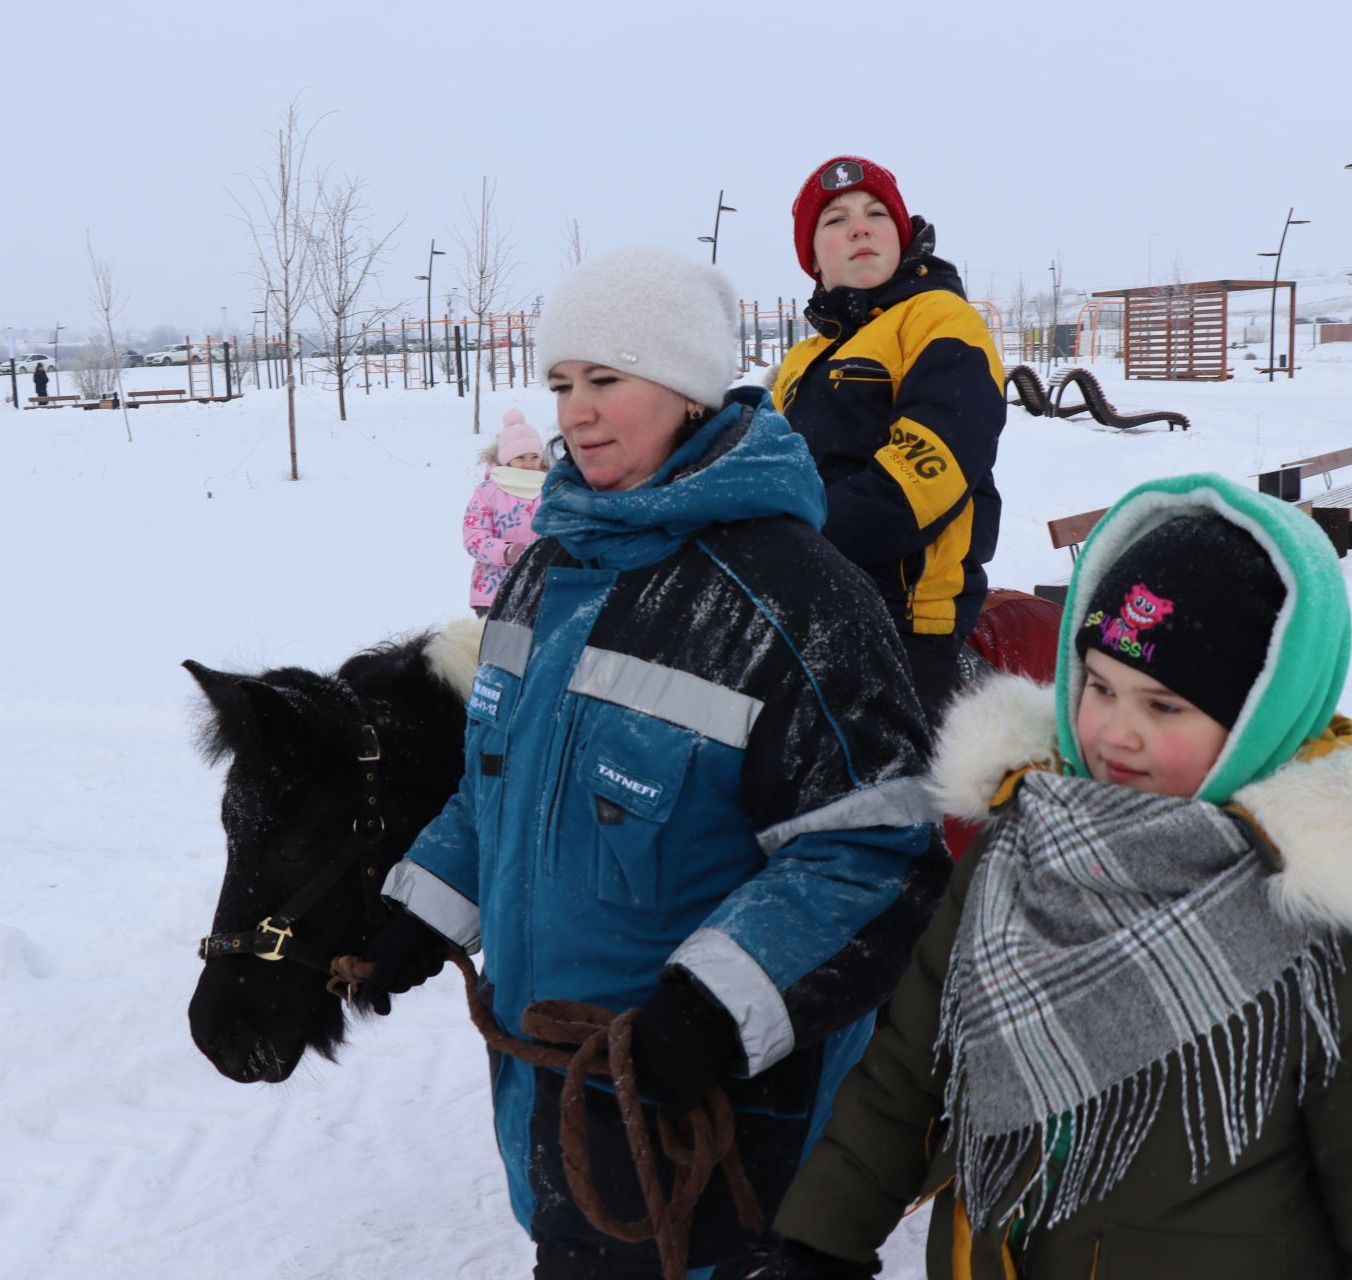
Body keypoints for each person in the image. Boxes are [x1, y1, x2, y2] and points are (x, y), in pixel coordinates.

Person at [346, 247, 952, 1277]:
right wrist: (422, 907)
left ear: (684, 387)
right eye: (562, 382)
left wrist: (714, 1004)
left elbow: (875, 850)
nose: (577, 412)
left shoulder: (795, 595)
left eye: (607, 379)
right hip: (562, 1105)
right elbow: (496, 776)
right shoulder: (544, 572)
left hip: (722, 1122)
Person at [739, 473, 1352, 1279]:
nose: (1115, 735)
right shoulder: (1022, 847)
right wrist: (819, 1240)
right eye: (1099, 688)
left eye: (1164, 706)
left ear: (1261, 716)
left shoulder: (1337, 928)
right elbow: (910, 1073)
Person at [772, 156, 1007, 721]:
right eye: (835, 220)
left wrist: (791, 539)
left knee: (879, 798)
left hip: (905, 619)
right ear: (813, 260)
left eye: (876, 214)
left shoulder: (938, 318)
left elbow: (930, 467)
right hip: (805, 604)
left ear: (901, 239)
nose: (859, 227)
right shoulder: (801, 361)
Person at [464, 408, 547, 618]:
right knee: (498, 650)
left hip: (540, 590)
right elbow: (474, 538)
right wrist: (506, 552)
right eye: (520, 457)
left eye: (534, 457)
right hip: (494, 593)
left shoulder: (550, 490)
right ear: (507, 459)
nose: (529, 464)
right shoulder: (489, 491)